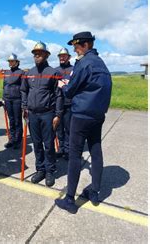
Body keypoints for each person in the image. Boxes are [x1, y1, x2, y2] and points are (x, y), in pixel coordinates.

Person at [55, 32, 112, 214]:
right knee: (96, 151)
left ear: (85, 45)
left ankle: (70, 200)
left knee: (74, 155)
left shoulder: (84, 63)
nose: (74, 50)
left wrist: (64, 86)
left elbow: (71, 90)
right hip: (98, 115)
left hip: (81, 116)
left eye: (76, 46)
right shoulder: (101, 63)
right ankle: (94, 192)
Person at [21, 41, 63, 187]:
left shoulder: (53, 73)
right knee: (37, 144)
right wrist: (24, 106)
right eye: (35, 54)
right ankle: (40, 169)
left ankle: (50, 170)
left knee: (48, 144)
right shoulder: (29, 73)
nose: (36, 56)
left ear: (46, 55)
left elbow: (59, 95)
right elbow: (24, 91)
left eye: (39, 54)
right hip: (32, 114)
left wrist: (58, 114)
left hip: (48, 114)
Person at [1, 53, 24, 150]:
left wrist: (24, 101)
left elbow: (23, 88)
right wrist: (2, 98)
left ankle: (18, 140)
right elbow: (4, 85)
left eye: (12, 61)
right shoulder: (6, 72)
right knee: (11, 120)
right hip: (7, 99)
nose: (10, 63)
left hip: (17, 99)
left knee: (17, 120)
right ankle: (12, 139)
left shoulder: (21, 72)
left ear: (17, 62)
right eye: (9, 61)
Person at [55, 47, 73, 160]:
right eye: (60, 56)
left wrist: (69, 83)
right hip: (58, 103)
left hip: (69, 103)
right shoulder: (55, 70)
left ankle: (68, 150)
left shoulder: (73, 69)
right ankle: (61, 148)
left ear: (69, 57)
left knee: (68, 128)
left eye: (64, 56)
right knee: (59, 128)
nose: (62, 57)